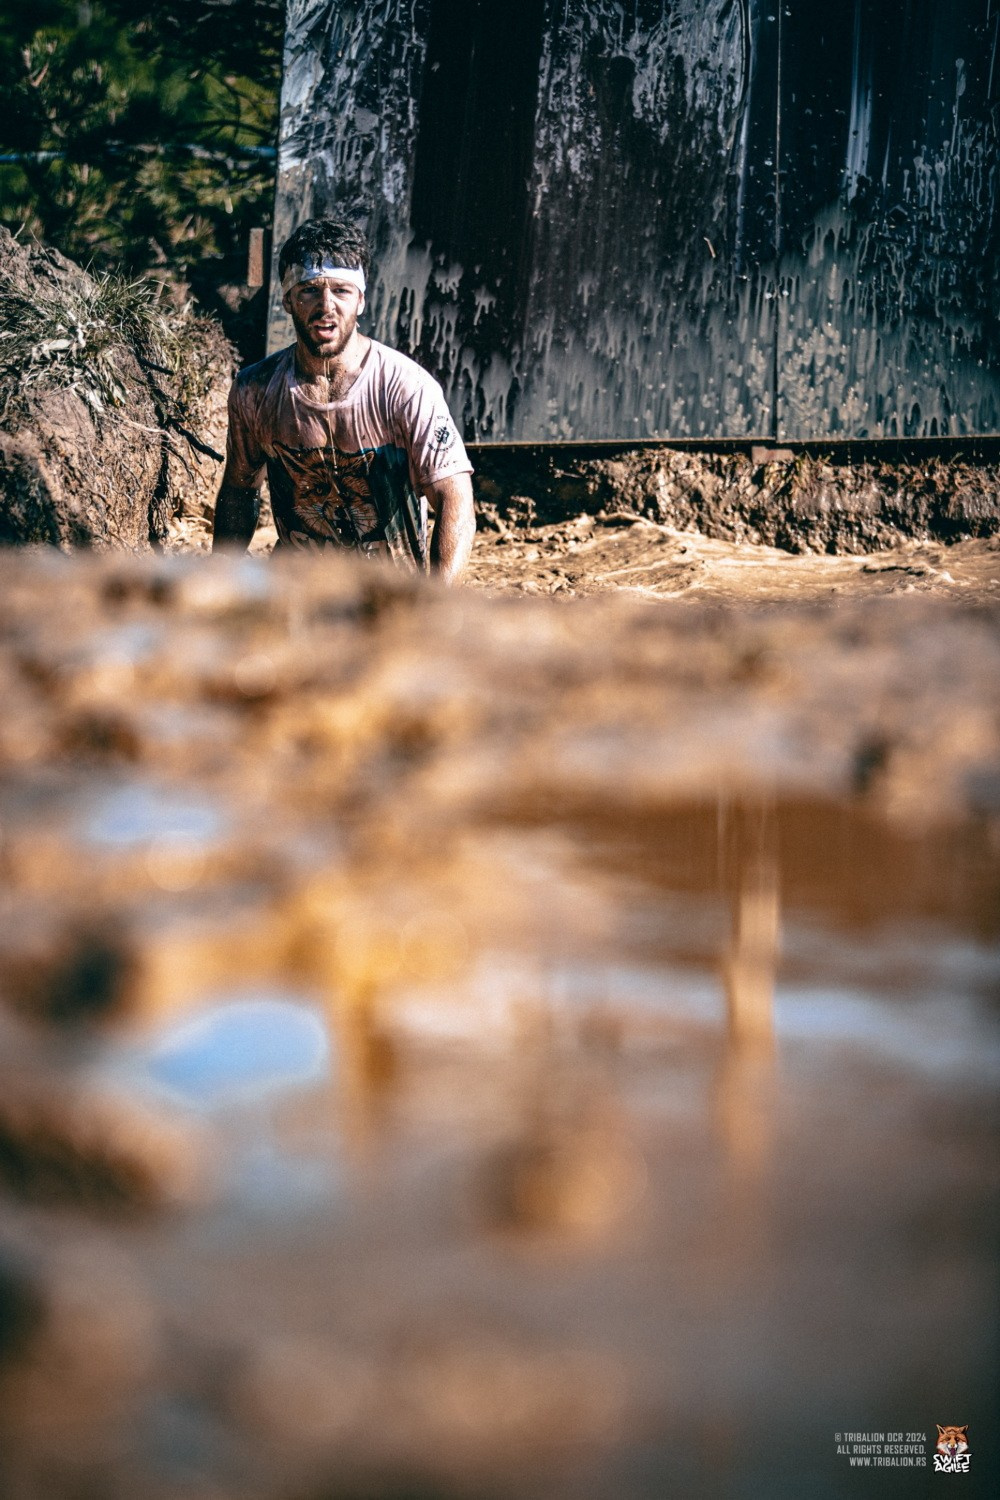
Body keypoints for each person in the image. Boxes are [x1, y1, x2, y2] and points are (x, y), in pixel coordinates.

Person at [212, 217, 476, 581]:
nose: (326, 305)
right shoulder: (255, 389)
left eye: (341, 290)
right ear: (288, 300)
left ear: (361, 300)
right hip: (296, 592)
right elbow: (240, 490)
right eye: (309, 290)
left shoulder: (405, 387)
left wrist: (435, 603)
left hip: (388, 596)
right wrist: (217, 583)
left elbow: (454, 497)